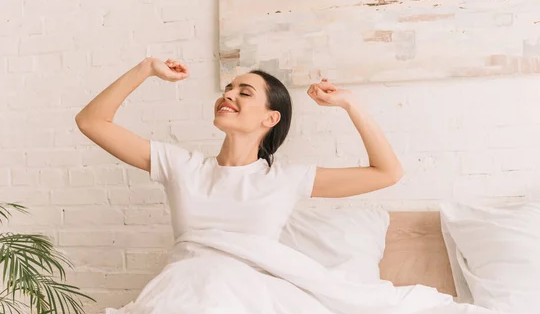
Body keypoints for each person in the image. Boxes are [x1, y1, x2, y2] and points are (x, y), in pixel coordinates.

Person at [75, 58, 403, 241]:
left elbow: (387, 173)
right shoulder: (181, 166)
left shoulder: (286, 179)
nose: (228, 95)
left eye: (244, 93)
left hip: (250, 298)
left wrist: (349, 103)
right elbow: (92, 121)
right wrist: (146, 68)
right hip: (185, 293)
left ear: (270, 117)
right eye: (228, 89)